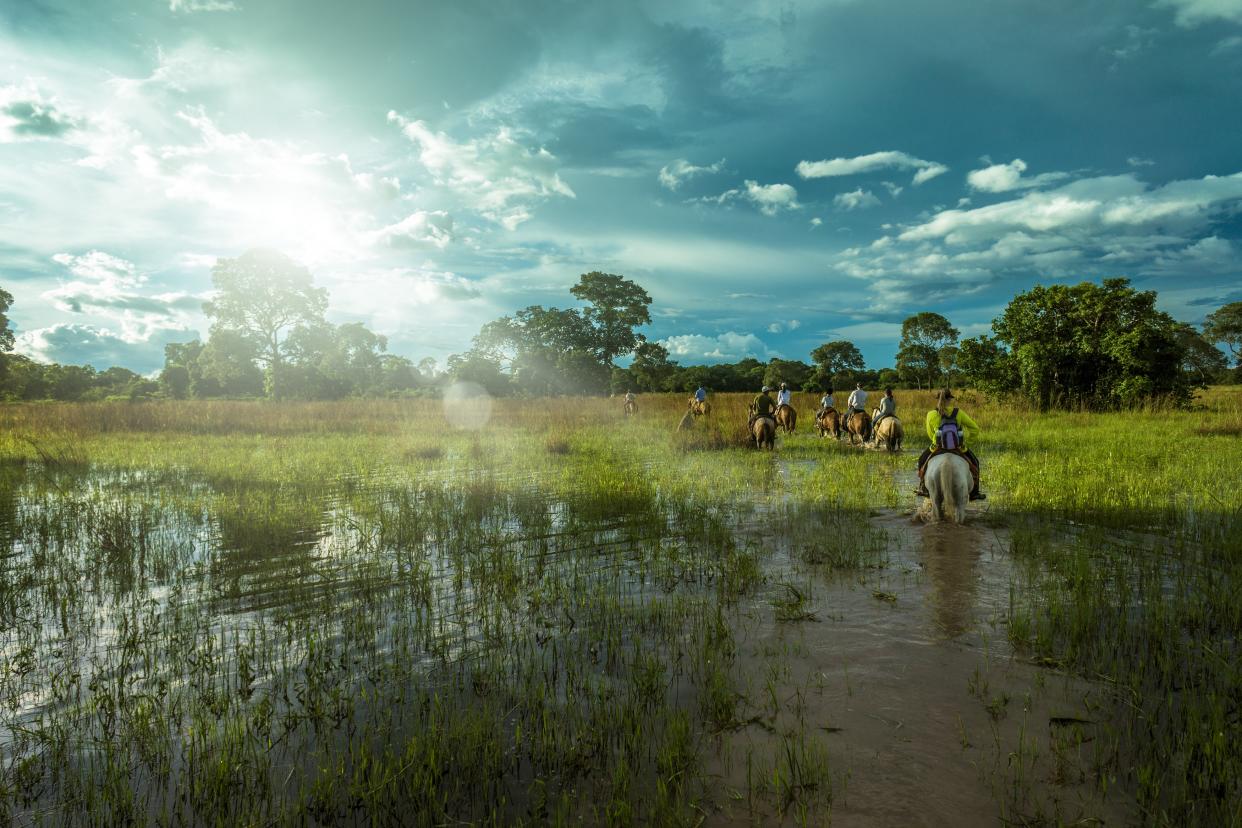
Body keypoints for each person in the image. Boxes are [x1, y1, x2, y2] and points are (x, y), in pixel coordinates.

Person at [914, 389, 985, 500]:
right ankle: (975, 492)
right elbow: (974, 429)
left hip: (937, 447)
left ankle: (924, 488)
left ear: (937, 399)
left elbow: (930, 433)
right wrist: (966, 444)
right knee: (976, 463)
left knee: (921, 461)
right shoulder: (958, 412)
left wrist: (936, 441)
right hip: (958, 447)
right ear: (950, 399)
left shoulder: (931, 414)